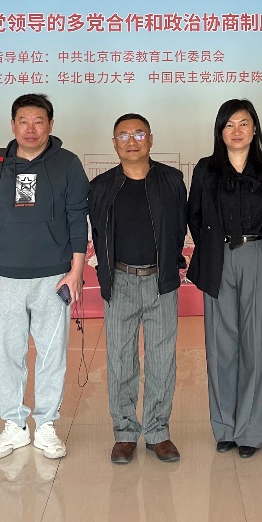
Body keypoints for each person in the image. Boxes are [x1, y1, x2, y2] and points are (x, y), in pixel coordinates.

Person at [0, 93, 88, 461]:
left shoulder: (68, 164)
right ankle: (14, 425)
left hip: (54, 276)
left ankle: (47, 424)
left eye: (39, 121)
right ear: (13, 125)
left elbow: (77, 217)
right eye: (23, 121)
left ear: (51, 125)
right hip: (5, 276)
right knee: (8, 354)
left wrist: (76, 271)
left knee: (52, 354)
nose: (31, 129)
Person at [187, 98, 262, 458]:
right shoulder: (206, 169)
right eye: (229, 124)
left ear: (254, 128)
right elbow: (195, 216)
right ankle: (225, 428)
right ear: (220, 130)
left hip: (257, 256)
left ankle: (250, 431)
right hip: (219, 258)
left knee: (257, 346)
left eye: (243, 123)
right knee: (221, 345)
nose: (236, 130)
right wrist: (212, 249)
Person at [89, 113, 189, 464]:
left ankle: (158, 432)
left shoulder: (172, 180)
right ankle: (125, 432)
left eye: (139, 134)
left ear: (151, 139)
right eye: (123, 135)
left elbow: (179, 227)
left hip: (161, 282)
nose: (131, 141)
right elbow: (98, 233)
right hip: (120, 282)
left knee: (162, 360)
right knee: (120, 360)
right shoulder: (101, 186)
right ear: (114, 143)